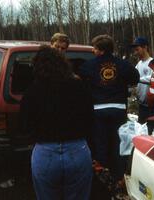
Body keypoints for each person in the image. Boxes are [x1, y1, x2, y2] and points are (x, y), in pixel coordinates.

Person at [20, 46, 93, 200]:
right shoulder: (79, 86)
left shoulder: (31, 91)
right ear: (63, 63)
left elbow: (25, 125)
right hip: (77, 150)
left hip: (45, 153)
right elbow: (90, 118)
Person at [79, 35, 139, 197]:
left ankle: (101, 178)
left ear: (101, 50)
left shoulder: (89, 65)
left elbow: (81, 79)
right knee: (117, 143)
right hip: (118, 108)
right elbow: (135, 77)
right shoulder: (123, 64)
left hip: (98, 110)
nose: (93, 50)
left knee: (100, 143)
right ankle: (119, 176)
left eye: (95, 48)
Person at [130, 37, 153, 124]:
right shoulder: (139, 64)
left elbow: (153, 78)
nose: (135, 52)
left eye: (137, 49)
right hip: (141, 105)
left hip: (150, 106)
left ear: (145, 47)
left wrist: (138, 79)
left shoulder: (152, 62)